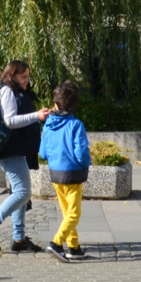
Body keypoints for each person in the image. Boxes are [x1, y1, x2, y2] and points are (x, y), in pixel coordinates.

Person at [0, 60, 49, 254]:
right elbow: (9, 121)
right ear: (12, 75)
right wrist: (36, 116)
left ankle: (19, 239)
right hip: (9, 150)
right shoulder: (7, 90)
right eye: (23, 77)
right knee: (22, 193)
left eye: (28, 77)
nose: (27, 81)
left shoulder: (12, 90)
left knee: (21, 194)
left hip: (16, 149)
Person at [40, 80, 91, 262]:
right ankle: (56, 243)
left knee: (67, 212)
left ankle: (74, 247)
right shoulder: (76, 125)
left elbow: (43, 152)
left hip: (55, 173)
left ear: (55, 103)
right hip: (73, 173)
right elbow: (81, 152)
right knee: (74, 213)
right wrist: (86, 164)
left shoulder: (48, 125)